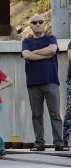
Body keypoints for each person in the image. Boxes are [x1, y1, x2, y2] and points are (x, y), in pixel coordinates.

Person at [21, 14, 67, 151]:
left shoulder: (50, 38)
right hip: (33, 83)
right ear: (30, 26)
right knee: (36, 115)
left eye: (40, 22)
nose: (37, 24)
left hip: (51, 81)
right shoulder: (26, 41)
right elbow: (26, 55)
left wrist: (35, 53)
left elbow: (53, 49)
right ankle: (39, 143)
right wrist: (45, 54)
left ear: (44, 24)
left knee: (55, 114)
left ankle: (59, 143)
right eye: (34, 22)